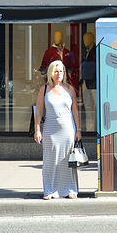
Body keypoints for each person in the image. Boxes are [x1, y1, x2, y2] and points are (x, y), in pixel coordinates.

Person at [33, 60, 81, 200]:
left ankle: (71, 190)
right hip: (50, 129)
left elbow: (75, 111)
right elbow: (39, 112)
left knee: (68, 160)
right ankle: (49, 190)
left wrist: (78, 130)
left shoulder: (69, 88)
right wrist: (37, 130)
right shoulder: (44, 89)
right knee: (50, 160)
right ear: (51, 73)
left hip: (68, 128)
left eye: (61, 71)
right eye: (56, 71)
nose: (59, 74)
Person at [79, 32, 97, 132]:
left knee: (95, 108)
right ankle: (90, 130)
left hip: (94, 84)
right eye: (84, 38)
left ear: (92, 39)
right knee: (88, 108)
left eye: (87, 39)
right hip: (86, 83)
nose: (85, 41)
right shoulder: (86, 51)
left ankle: (95, 130)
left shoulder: (96, 51)